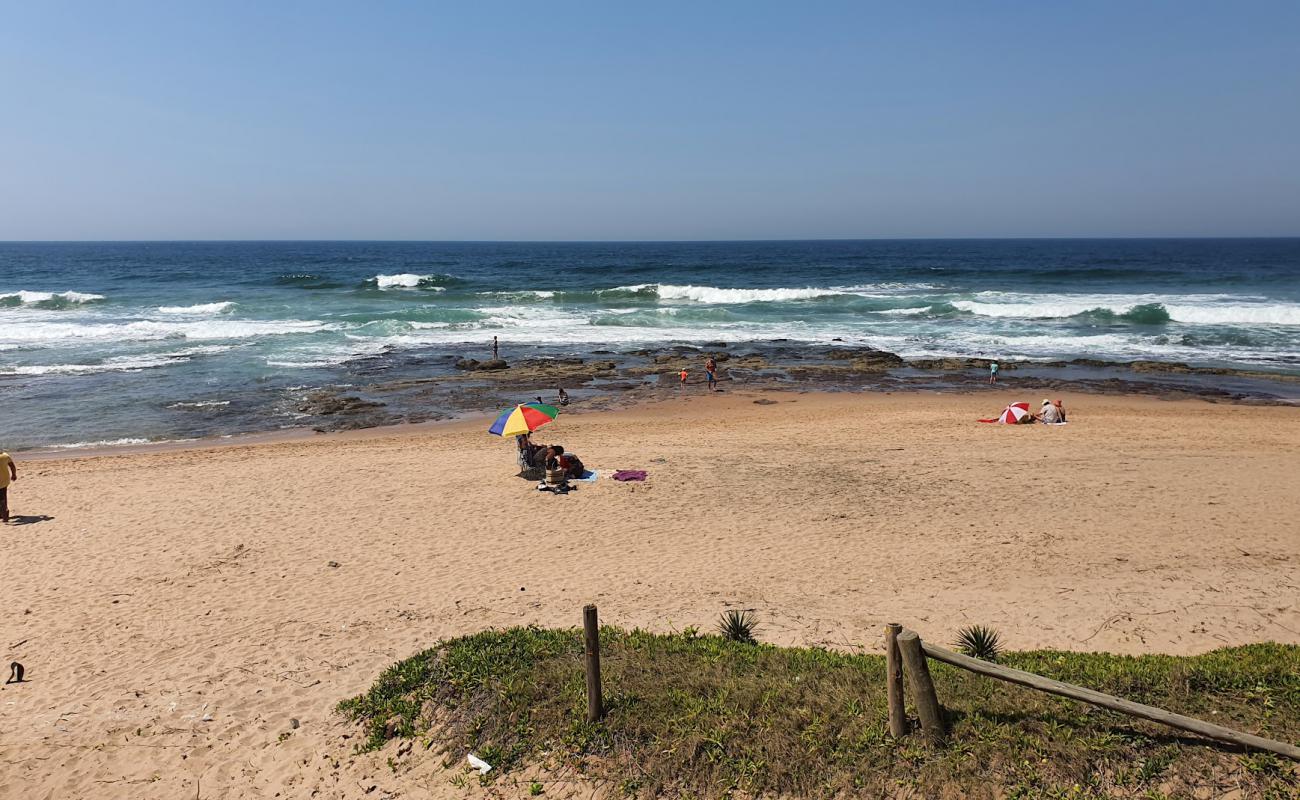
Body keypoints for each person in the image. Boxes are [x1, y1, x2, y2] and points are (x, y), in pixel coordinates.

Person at [0, 448, 15, 523]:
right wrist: (14, 475)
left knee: (1, 499)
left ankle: (5, 515)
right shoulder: (5, 456)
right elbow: (12, 466)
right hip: (4, 480)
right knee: (3, 496)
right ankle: (3, 513)